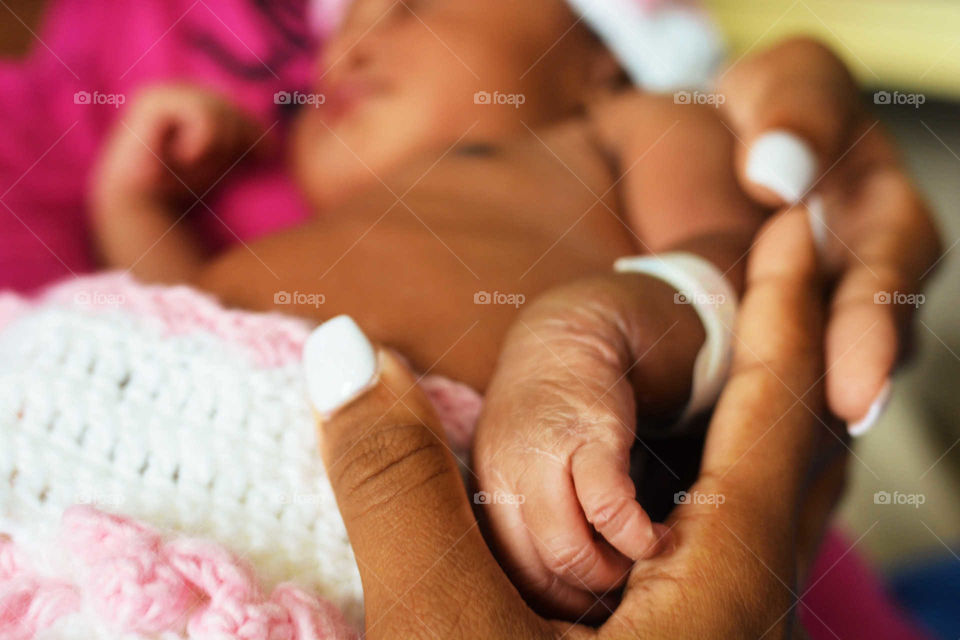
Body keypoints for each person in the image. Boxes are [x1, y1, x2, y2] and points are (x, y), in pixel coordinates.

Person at [88, 0, 940, 619]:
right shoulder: (330, 227)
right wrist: (136, 209)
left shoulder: (624, 126)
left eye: (409, 9)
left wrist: (592, 330)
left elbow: (742, 267)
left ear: (597, 54)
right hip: (92, 454)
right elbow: (174, 329)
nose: (349, 47)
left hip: (344, 558)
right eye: (338, 38)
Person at [304, 207, 845, 639]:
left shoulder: (606, 129)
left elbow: (738, 244)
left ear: (596, 70)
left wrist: (586, 334)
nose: (340, 62)